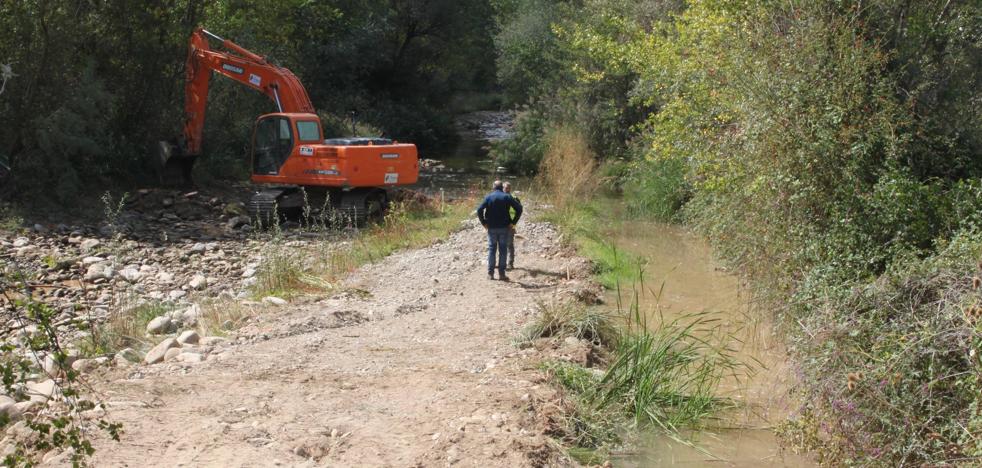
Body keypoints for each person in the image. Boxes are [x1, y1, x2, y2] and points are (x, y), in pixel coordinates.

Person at [476, 180, 523, 280]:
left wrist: (484, 223)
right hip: (504, 228)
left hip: (491, 227)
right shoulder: (507, 197)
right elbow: (519, 209)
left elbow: (479, 210)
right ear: (502, 187)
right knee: (503, 250)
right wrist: (513, 222)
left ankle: (490, 274)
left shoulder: (488, 197)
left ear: (493, 187)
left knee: (492, 249)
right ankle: (502, 274)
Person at [503, 182, 520, 270]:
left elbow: (519, 210)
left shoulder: (514, 198)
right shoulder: (500, 197)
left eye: (508, 188)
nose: (506, 189)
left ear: (510, 189)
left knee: (509, 244)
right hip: (502, 224)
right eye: (505, 188)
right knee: (502, 244)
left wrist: (513, 224)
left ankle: (510, 263)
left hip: (510, 224)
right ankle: (503, 263)